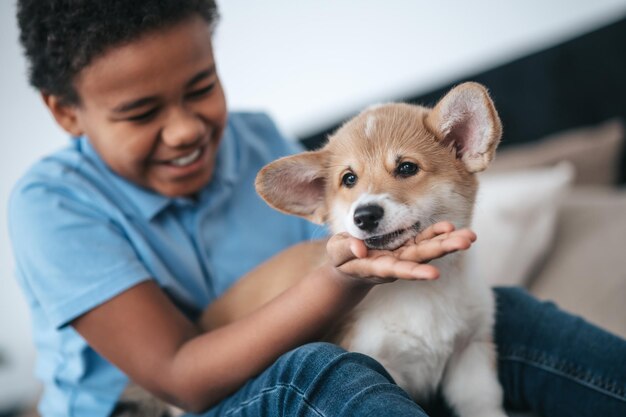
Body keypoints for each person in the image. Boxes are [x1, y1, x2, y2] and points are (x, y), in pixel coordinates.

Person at [9, 1, 626, 417]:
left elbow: (342, 234)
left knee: (494, 312)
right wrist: (337, 281)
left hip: (303, 356)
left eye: (201, 87)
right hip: (161, 404)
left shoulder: (252, 138)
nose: (184, 130)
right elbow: (180, 375)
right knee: (320, 369)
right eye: (141, 113)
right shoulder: (52, 207)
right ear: (66, 113)